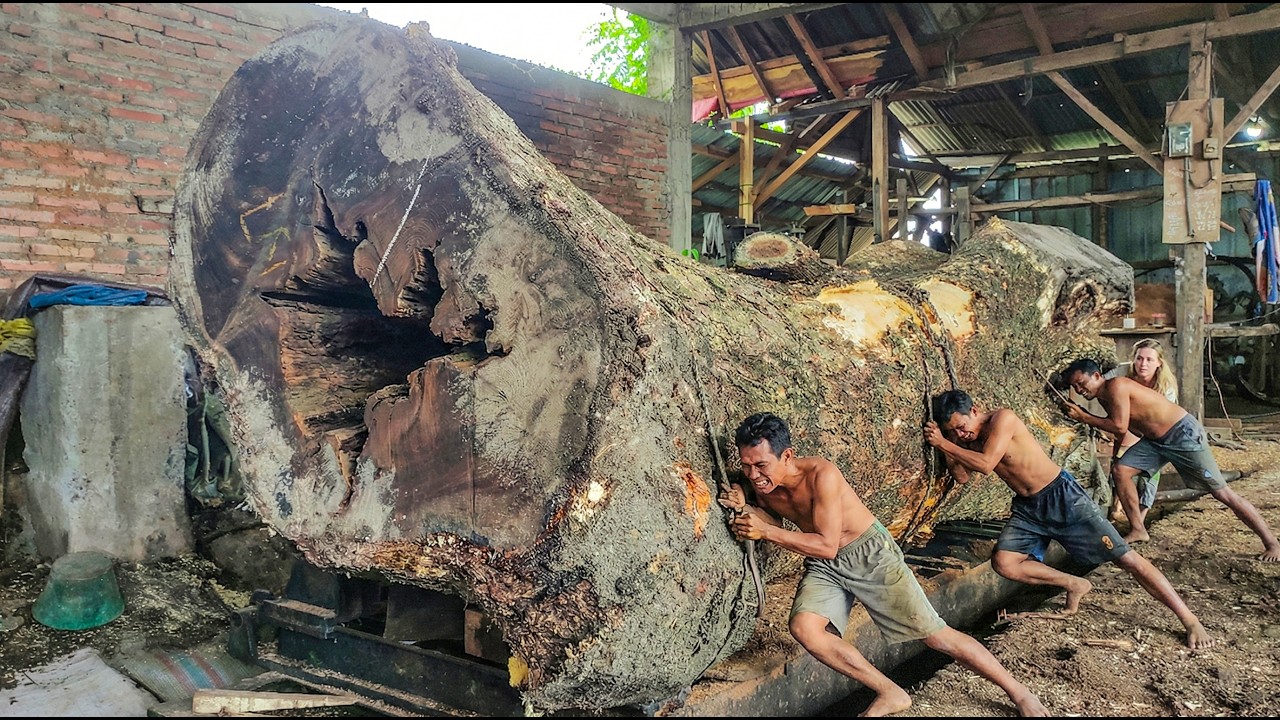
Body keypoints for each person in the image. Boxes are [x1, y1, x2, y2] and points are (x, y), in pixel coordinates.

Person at [719, 412, 1049, 717]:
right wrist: (746, 506)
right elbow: (771, 518)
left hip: (868, 554)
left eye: (761, 465)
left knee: (936, 637)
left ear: (787, 456)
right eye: (746, 466)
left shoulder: (822, 475)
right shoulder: (761, 483)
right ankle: (889, 691)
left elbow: (824, 542)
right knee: (805, 629)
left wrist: (764, 531)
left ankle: (1019, 693)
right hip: (825, 563)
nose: (753, 474)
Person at [924, 389, 1213, 650]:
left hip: (1062, 497)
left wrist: (944, 443)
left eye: (962, 427)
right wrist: (946, 443)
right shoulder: (965, 440)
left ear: (974, 411)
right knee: (1004, 563)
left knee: (1126, 560)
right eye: (954, 432)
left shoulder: (1003, 420)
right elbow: (961, 477)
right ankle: (1073, 583)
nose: (961, 435)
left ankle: (1188, 619)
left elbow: (986, 465)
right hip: (1029, 507)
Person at [1062, 357, 1280, 560]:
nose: (1080, 390)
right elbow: (1121, 430)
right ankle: (1138, 529)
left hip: (1181, 434)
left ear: (1098, 376)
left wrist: (1084, 417)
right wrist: (1115, 456)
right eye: (1075, 387)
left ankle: (1272, 543)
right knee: (1121, 470)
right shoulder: (1104, 397)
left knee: (1222, 492)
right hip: (1155, 441)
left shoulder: (1116, 386)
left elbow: (1119, 425)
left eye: (1082, 383)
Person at [1102, 339, 1178, 529]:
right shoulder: (1123, 372)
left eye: (1149, 360)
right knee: (1119, 465)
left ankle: (1140, 521)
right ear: (1133, 359)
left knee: (1150, 475)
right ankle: (1116, 508)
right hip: (1127, 426)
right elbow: (1101, 379)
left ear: (1159, 362)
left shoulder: (1166, 387)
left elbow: (1165, 421)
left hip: (1157, 433)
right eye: (1139, 358)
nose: (1143, 364)